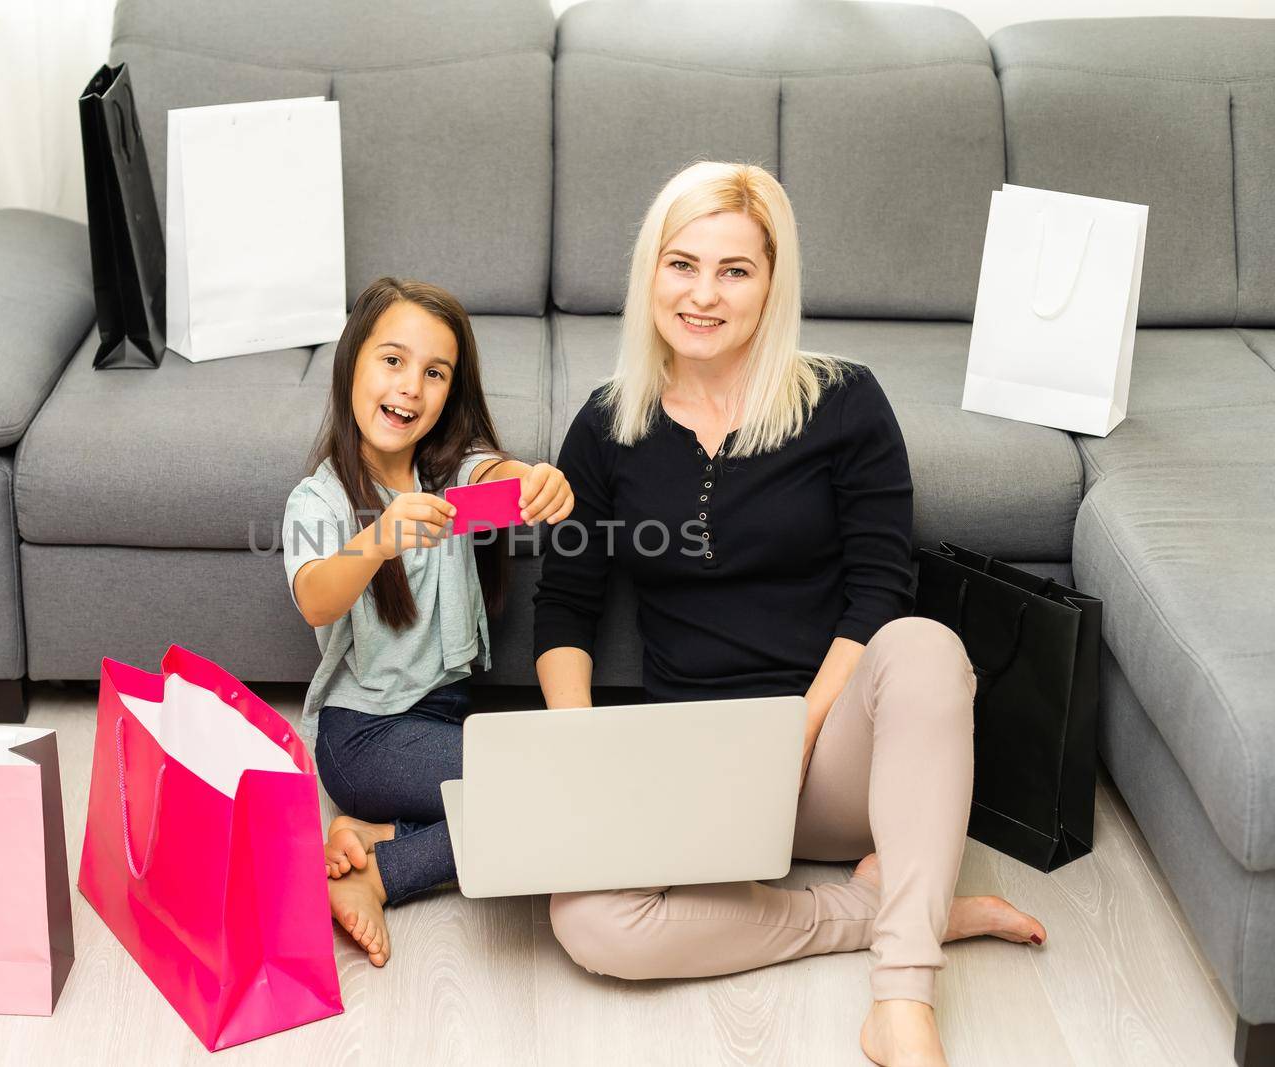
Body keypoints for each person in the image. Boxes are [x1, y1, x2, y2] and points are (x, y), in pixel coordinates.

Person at [532, 162, 1047, 1067]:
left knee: (924, 644)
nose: (703, 294)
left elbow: (880, 589)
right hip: (699, 769)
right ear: (649, 272)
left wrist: (800, 731)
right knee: (589, 919)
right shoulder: (606, 424)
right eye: (682, 264)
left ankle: (902, 994)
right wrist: (582, 754)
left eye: (735, 270)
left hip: (837, 756)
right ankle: (897, 909)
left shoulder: (845, 401)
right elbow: (566, 608)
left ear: (773, 285)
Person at [283, 276, 575, 967]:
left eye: (434, 372)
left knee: (542, 782)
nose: (410, 386)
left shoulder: (448, 476)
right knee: (535, 792)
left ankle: (375, 830)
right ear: (352, 362)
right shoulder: (319, 499)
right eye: (392, 360)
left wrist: (536, 479)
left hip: (438, 720)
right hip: (363, 737)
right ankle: (377, 874)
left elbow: (496, 481)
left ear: (450, 392)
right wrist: (378, 537)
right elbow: (316, 598)